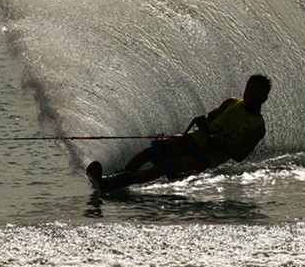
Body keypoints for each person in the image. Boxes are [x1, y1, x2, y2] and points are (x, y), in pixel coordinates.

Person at [87, 74, 272, 192]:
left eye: (255, 94)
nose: (249, 96)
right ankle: (118, 177)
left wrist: (222, 144)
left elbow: (240, 156)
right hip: (193, 140)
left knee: (163, 167)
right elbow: (210, 117)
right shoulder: (231, 103)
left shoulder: (257, 128)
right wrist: (204, 119)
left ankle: (110, 184)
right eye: (248, 91)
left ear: (264, 97)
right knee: (152, 151)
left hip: (206, 157)